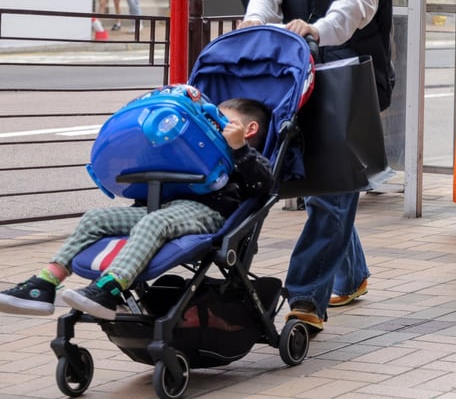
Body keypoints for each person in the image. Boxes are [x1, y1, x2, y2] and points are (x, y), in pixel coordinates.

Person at [240, 0, 393, 333]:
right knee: (326, 185)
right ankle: (353, 274)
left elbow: (360, 3)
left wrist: (319, 29)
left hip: (348, 75)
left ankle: (306, 297)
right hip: (296, 73)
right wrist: (253, 20)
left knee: (333, 189)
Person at [0, 98, 272, 320]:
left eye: (224, 123)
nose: (215, 127)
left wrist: (239, 148)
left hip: (208, 212)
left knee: (155, 223)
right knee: (96, 218)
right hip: (163, 206)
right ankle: (45, 283)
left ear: (249, 129)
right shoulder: (194, 149)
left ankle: (110, 288)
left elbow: (265, 184)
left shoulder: (244, 157)